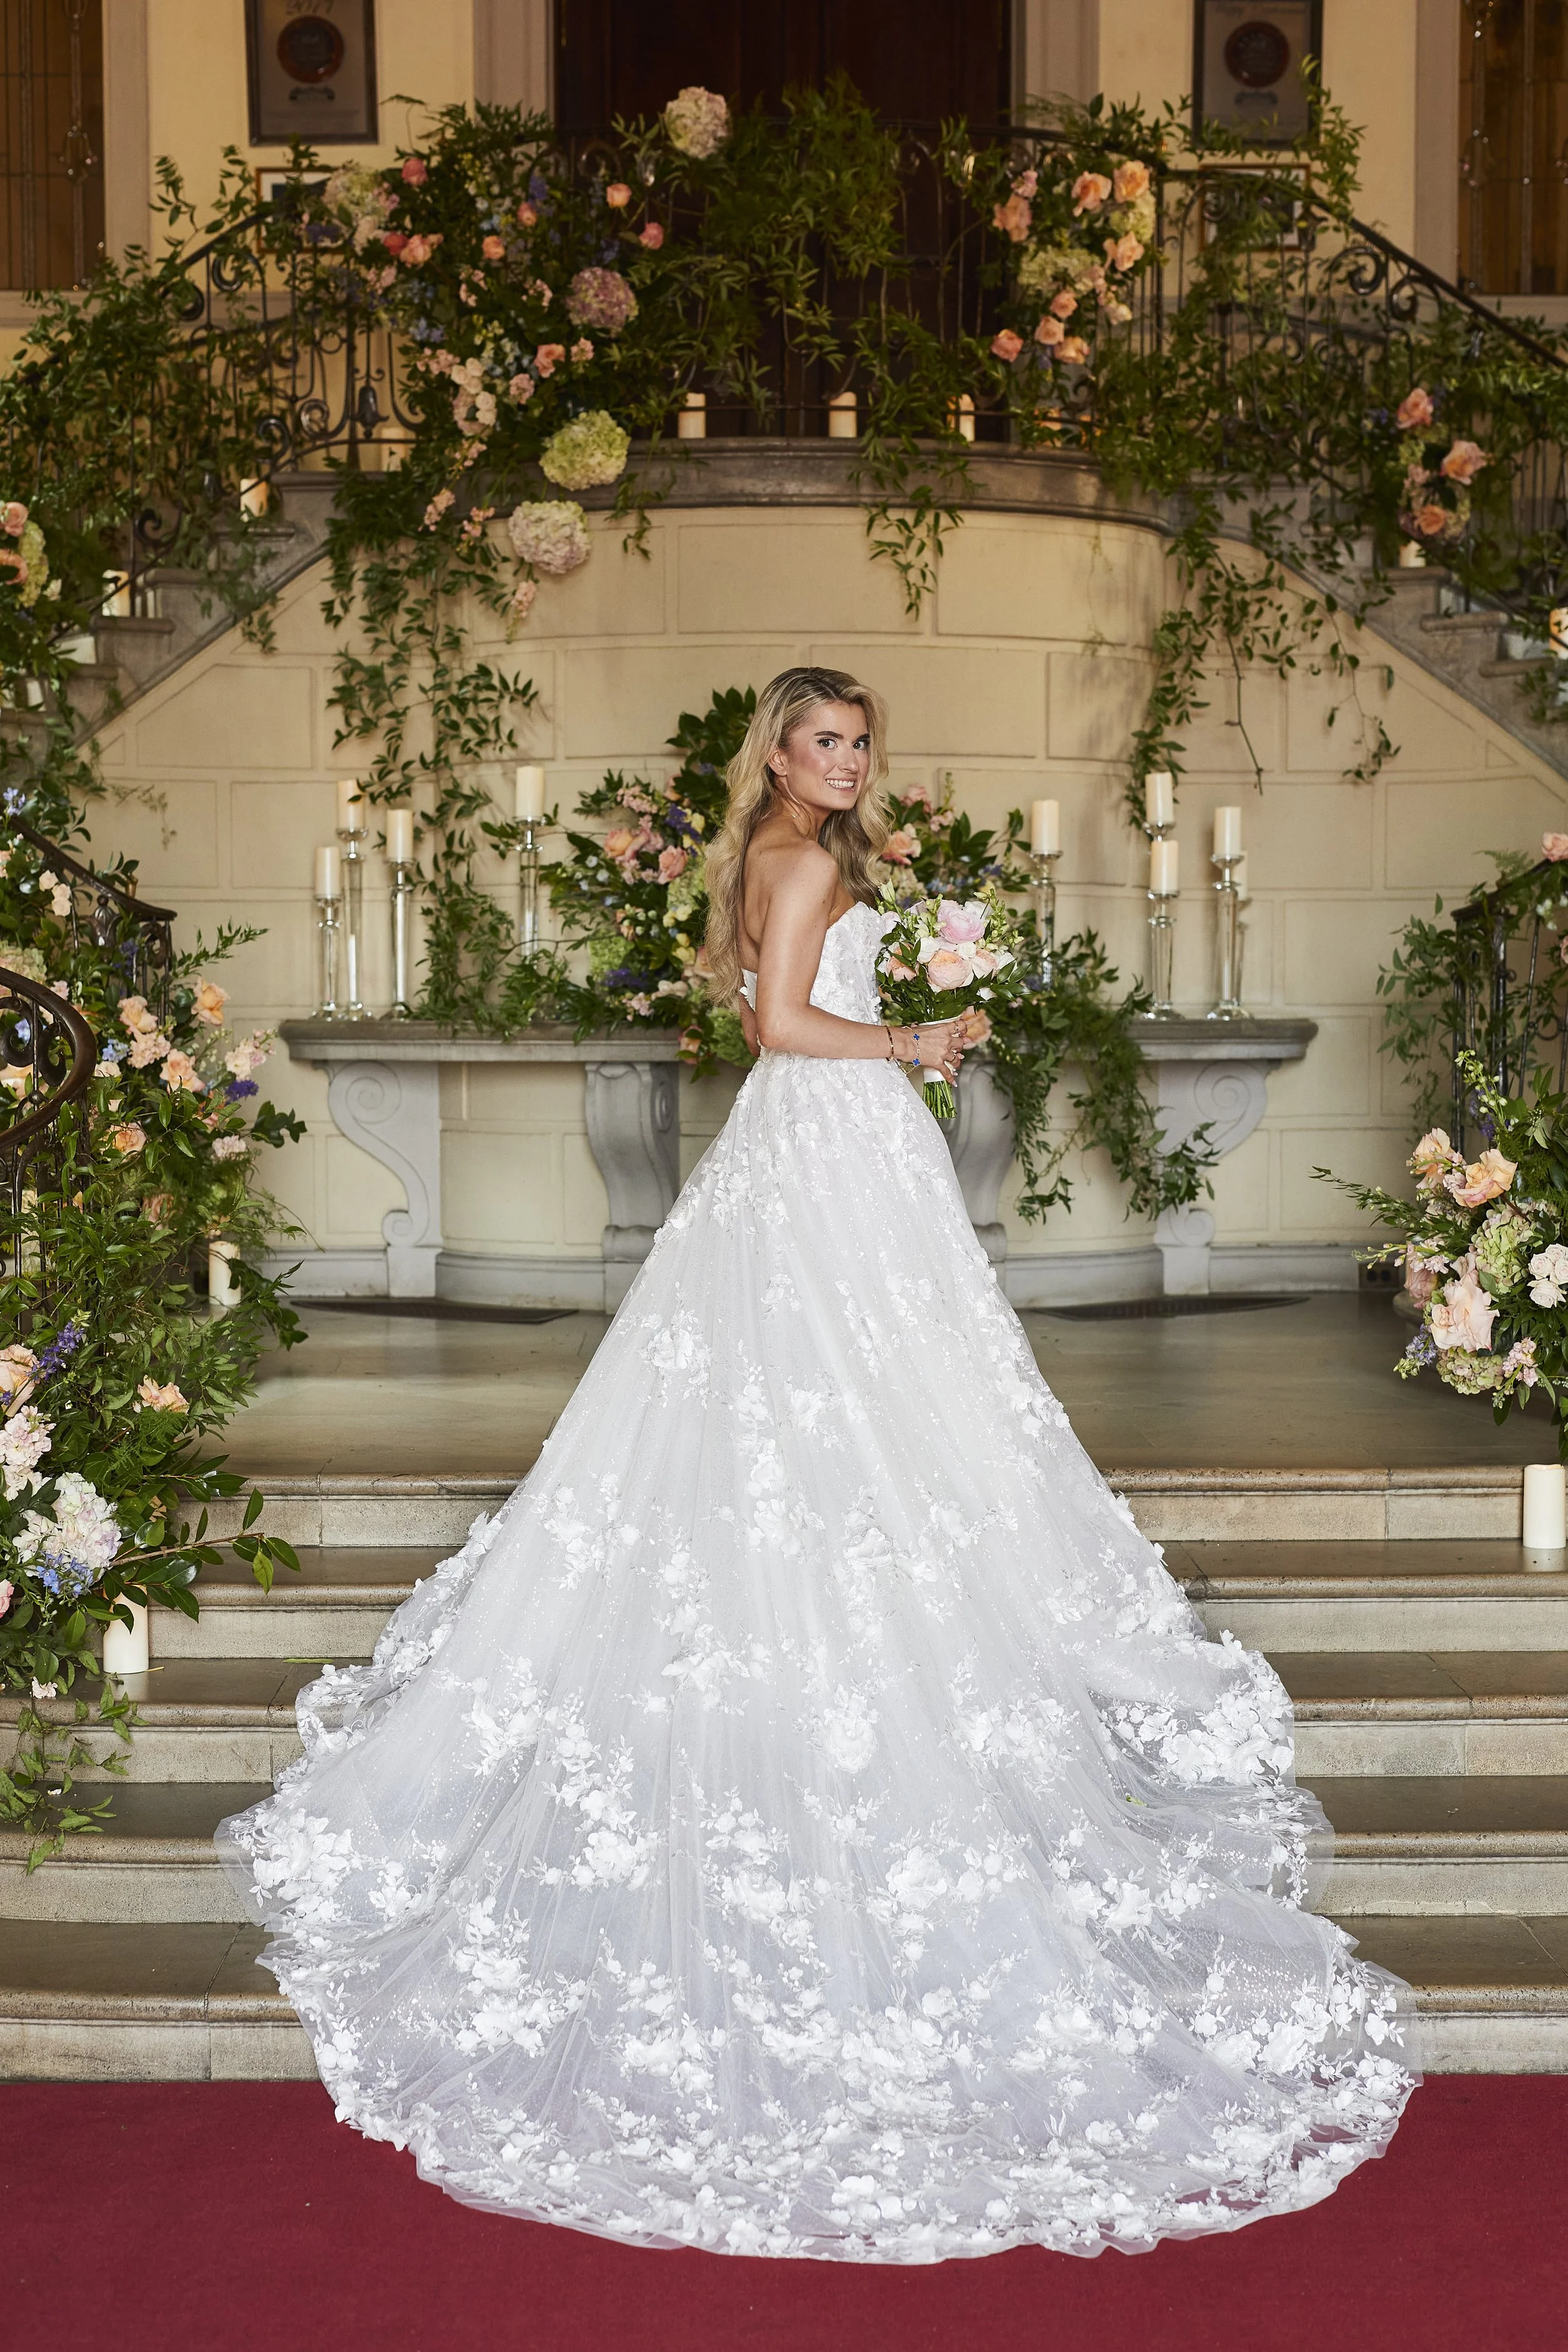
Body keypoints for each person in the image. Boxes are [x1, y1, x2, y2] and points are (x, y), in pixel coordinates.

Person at [220, 664, 1417, 2261]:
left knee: (884, 1408)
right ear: (775, 754)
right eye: (822, 739)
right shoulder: (793, 864)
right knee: (823, 1407)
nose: (847, 761)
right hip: (818, 1151)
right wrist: (909, 1028)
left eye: (862, 739)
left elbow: (787, 1016)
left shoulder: (820, 859)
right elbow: (780, 1026)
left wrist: (903, 1029)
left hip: (846, 1159)